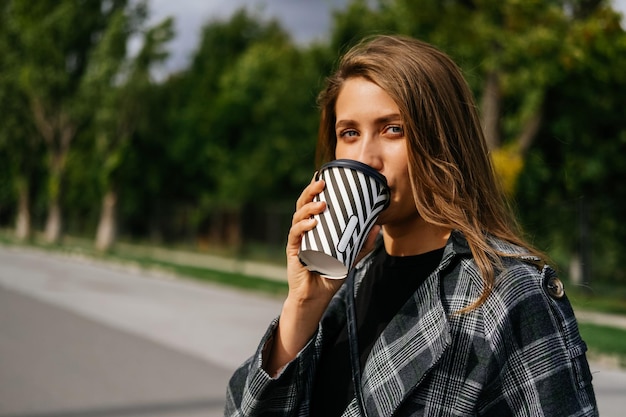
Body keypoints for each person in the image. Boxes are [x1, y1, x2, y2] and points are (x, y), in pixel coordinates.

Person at [224, 34, 598, 416]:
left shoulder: (505, 294)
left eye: (393, 129)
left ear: (442, 141)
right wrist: (302, 305)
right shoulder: (342, 291)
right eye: (349, 133)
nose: (366, 158)